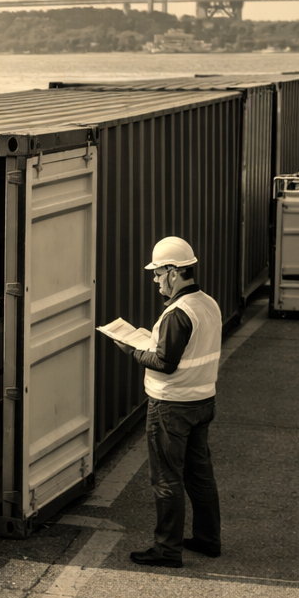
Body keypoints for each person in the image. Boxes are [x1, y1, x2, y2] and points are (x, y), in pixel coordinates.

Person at [111, 236, 223, 568]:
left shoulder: (178, 313)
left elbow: (165, 362)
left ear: (174, 272)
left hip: (171, 407)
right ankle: (207, 539)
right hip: (202, 401)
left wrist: (131, 349)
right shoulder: (209, 304)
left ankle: (167, 549)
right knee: (199, 476)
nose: (156, 280)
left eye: (158, 273)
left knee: (166, 478)